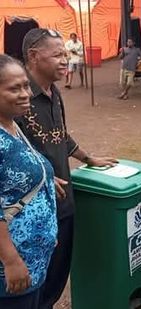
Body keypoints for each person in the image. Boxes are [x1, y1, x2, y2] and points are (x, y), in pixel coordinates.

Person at [18, 28, 118, 309]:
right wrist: (44, 180)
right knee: (33, 284)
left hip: (63, 203)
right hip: (34, 212)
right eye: (57, 54)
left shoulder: (55, 92)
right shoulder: (16, 97)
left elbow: (61, 134)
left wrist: (88, 159)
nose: (65, 60)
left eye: (65, 54)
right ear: (34, 56)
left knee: (57, 276)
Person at [0, 54, 57, 309]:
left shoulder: (12, 125)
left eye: (25, 85)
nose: (25, 93)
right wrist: (10, 260)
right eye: (14, 88)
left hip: (34, 258)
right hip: (11, 267)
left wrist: (46, 183)